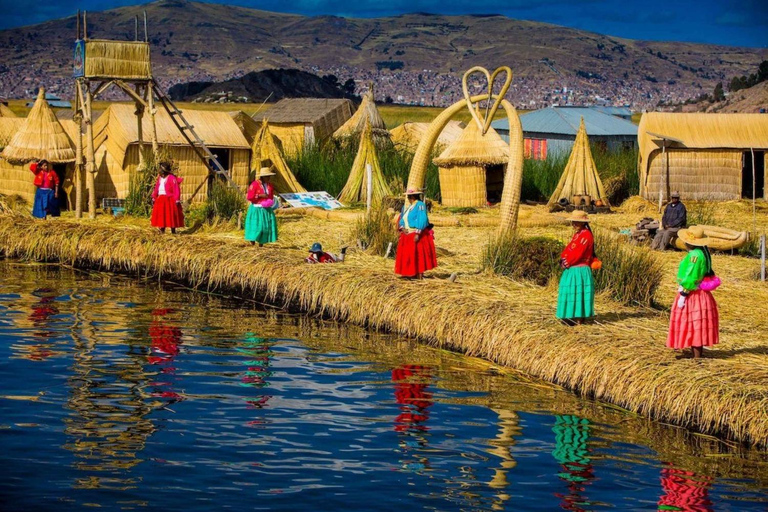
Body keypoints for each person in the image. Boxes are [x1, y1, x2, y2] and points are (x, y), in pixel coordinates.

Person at [667, 227, 720, 359]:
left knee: (694, 323)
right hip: (701, 294)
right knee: (697, 323)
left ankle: (697, 357)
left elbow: (691, 276)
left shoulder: (695, 256)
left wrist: (684, 293)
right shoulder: (703, 252)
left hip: (693, 294)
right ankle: (695, 354)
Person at [557, 210, 596, 325]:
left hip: (579, 270)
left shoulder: (586, 235)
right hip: (572, 269)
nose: (574, 224)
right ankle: (569, 316)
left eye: (577, 222)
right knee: (570, 292)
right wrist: (563, 258)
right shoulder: (578, 234)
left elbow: (578, 252)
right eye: (573, 222)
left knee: (578, 293)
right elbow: (570, 248)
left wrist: (567, 261)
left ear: (584, 223)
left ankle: (579, 319)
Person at [394, 188, 437, 279]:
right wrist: (402, 228)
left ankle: (419, 275)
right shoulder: (409, 207)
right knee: (409, 255)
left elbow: (422, 218)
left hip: (414, 233)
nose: (408, 198)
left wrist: (418, 233)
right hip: (407, 234)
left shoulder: (420, 205)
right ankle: (411, 273)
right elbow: (403, 219)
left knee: (417, 255)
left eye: (409, 196)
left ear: (412, 197)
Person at [244, 167, 279, 247]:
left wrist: (270, 202)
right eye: (267, 176)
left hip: (266, 209)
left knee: (265, 227)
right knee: (256, 227)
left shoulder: (270, 186)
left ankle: (261, 245)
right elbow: (249, 197)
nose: (269, 178)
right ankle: (252, 242)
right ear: (262, 177)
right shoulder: (254, 184)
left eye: (269, 176)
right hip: (256, 209)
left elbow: (270, 196)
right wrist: (260, 195)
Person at [151, 162, 184, 234]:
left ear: (164, 171)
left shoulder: (171, 178)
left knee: (171, 215)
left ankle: (173, 231)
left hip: (169, 199)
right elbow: (157, 188)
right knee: (162, 215)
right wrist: (154, 196)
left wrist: (177, 199)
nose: (159, 171)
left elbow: (176, 189)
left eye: (160, 170)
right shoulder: (160, 178)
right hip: (161, 199)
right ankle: (162, 229)